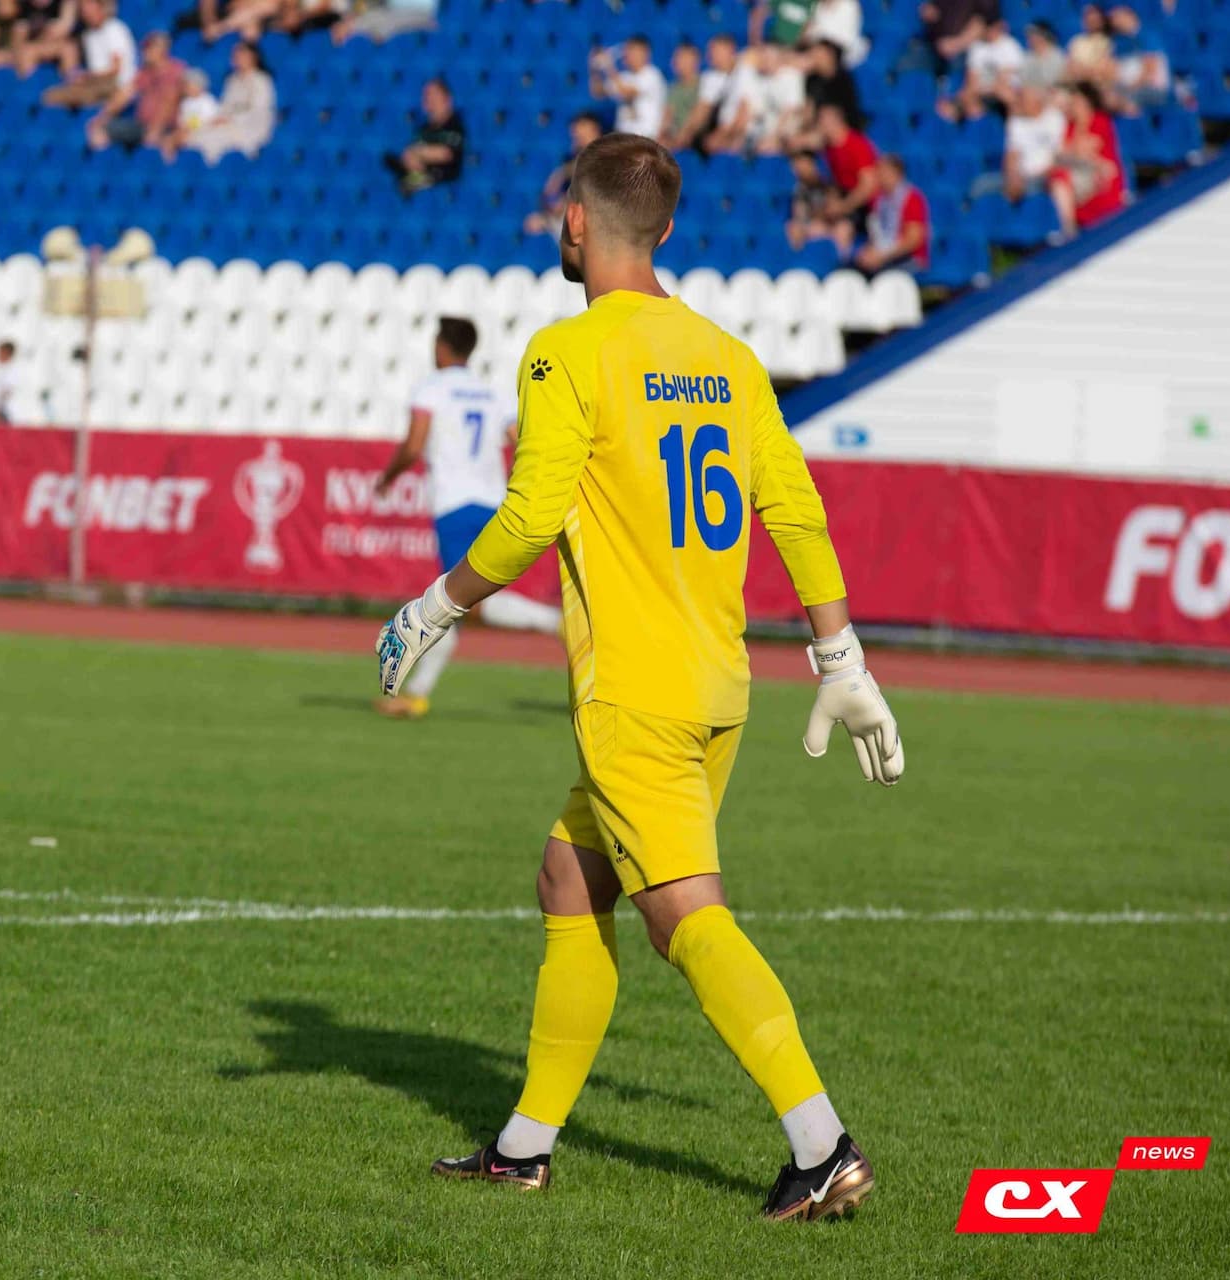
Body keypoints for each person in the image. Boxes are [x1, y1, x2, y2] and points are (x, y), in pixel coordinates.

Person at [372, 132, 902, 1215]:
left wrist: (432, 607)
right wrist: (839, 653)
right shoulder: (726, 355)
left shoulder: (566, 352)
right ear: (664, 229)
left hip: (634, 696)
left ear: (576, 221)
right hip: (718, 689)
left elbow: (530, 516)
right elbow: (795, 508)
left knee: (684, 917)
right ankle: (523, 1146)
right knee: (569, 878)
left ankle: (822, 1144)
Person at [371, 317, 561, 719]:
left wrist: (387, 478)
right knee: (451, 600)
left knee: (461, 601)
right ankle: (416, 696)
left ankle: (555, 622)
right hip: (493, 504)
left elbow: (414, 445)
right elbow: (520, 441)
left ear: (442, 347)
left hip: (454, 506)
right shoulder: (491, 393)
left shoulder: (432, 388)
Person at [177, 40, 277, 165]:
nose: (238, 59)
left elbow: (259, 110)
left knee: (211, 140)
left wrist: (231, 119)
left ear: (253, 57)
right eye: (236, 56)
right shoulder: (232, 80)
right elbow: (225, 105)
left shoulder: (262, 81)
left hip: (250, 126)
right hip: (227, 123)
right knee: (194, 135)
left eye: (242, 55)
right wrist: (218, 118)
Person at [1046, 83, 1126, 239]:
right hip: (1083, 174)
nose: (1073, 106)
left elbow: (1089, 148)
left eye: (1077, 102)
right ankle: (1069, 230)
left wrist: (1075, 152)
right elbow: (1065, 154)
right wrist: (1078, 153)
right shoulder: (1069, 126)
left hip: (1101, 179)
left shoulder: (1100, 121)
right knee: (1058, 178)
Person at [87, 29, 186, 152]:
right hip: (142, 125)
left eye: (148, 48)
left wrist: (156, 129)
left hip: (166, 127)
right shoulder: (145, 72)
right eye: (144, 49)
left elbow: (170, 102)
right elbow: (125, 94)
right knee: (100, 131)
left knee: (158, 145)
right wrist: (103, 116)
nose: (144, 52)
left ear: (161, 49)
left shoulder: (174, 70)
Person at [973, 81, 1065, 200]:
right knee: (981, 185)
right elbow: (1011, 155)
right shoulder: (1016, 121)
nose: (1019, 102)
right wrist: (1013, 177)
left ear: (1036, 101)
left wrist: (1041, 174)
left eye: (1023, 99)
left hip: (1042, 177)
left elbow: (1057, 156)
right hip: (1018, 176)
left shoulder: (1054, 118)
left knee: (1031, 191)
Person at [41, 0, 137, 109]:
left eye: (89, 8)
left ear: (101, 7)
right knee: (50, 96)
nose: (86, 12)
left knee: (66, 96)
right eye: (83, 9)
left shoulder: (114, 29)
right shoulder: (88, 34)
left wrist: (87, 76)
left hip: (116, 84)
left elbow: (115, 69)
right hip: (95, 82)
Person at [383, 75, 465, 195]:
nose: (429, 99)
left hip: (444, 184)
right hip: (421, 177)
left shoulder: (455, 125)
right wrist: (415, 156)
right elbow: (410, 156)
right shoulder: (424, 129)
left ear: (447, 99)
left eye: (434, 95)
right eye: (427, 95)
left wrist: (419, 153)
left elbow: (446, 153)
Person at [525, 112, 603, 237]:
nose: (576, 137)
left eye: (580, 132)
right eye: (575, 134)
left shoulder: (609, 153)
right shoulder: (571, 159)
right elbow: (549, 193)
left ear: (594, 128)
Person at [854, 153, 931, 273]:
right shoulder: (879, 200)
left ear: (896, 173)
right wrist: (869, 252)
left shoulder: (912, 198)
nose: (878, 175)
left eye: (882, 171)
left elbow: (913, 239)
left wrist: (883, 256)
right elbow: (877, 233)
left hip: (908, 259)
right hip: (885, 255)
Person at [590, 35, 666, 140]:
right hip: (623, 137)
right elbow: (598, 92)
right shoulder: (624, 76)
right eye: (627, 50)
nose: (627, 54)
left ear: (645, 53)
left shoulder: (652, 74)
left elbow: (626, 93)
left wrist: (608, 66)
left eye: (632, 50)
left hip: (645, 137)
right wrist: (594, 70)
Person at [783, 149, 839, 251]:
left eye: (804, 165)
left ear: (813, 165)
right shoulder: (799, 188)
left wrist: (819, 216)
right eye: (798, 167)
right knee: (793, 227)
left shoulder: (827, 184)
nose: (801, 170)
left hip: (828, 224)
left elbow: (832, 210)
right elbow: (799, 213)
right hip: (809, 224)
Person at [659, 43, 709, 151]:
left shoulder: (705, 84)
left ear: (695, 61)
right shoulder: (674, 88)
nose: (677, 62)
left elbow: (700, 115)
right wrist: (663, 134)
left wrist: (684, 135)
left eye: (683, 58)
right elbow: (668, 115)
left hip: (695, 138)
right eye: (677, 58)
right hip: (675, 136)